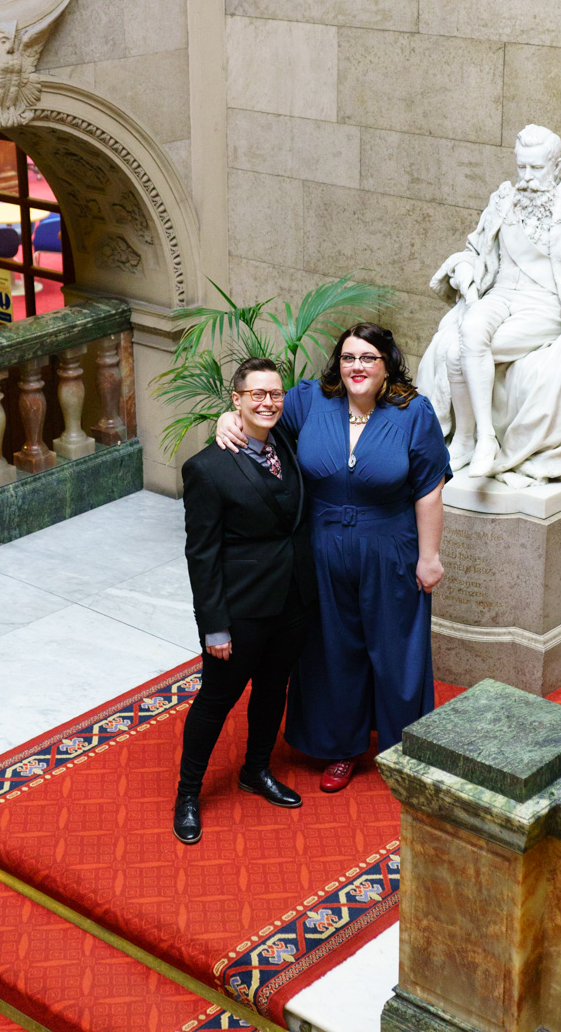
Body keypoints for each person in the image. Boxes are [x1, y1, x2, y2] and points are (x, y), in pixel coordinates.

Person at [216, 325, 451, 794]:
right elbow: (262, 417)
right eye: (348, 358)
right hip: (319, 548)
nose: (357, 367)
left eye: (368, 358)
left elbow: (429, 489)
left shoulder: (413, 412)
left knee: (395, 648)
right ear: (337, 364)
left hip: (390, 547)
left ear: (387, 365)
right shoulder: (309, 401)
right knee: (331, 649)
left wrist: (430, 557)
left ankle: (403, 747)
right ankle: (340, 748)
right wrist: (228, 417)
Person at [417, 124, 561, 484]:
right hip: (500, 295)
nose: (526, 177)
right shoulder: (504, 199)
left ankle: (474, 439)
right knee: (468, 331)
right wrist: (464, 268)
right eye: (521, 166)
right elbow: (477, 250)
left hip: (547, 306)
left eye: (536, 168)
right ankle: (473, 440)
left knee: (457, 350)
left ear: (557, 166)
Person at [174, 357, 318, 844]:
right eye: (255, 394)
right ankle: (188, 793)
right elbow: (202, 554)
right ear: (235, 400)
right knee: (216, 700)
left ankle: (255, 770)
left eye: (274, 394)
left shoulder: (290, 443)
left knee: (273, 689)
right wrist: (214, 626)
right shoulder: (207, 469)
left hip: (294, 601)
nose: (267, 402)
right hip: (241, 611)